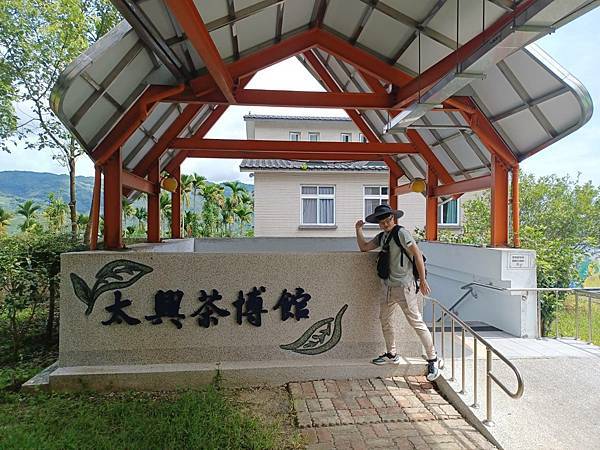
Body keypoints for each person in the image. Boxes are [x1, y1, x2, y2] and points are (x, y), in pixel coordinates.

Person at [355, 204, 441, 381]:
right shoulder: (382, 236)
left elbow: (417, 255)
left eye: (388, 220)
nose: (385, 224)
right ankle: (391, 354)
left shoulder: (401, 233)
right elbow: (364, 247)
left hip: (404, 286)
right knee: (385, 320)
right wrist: (358, 230)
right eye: (382, 222)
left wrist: (423, 280)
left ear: (393, 218)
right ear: (379, 223)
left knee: (416, 322)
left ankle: (433, 358)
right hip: (387, 286)